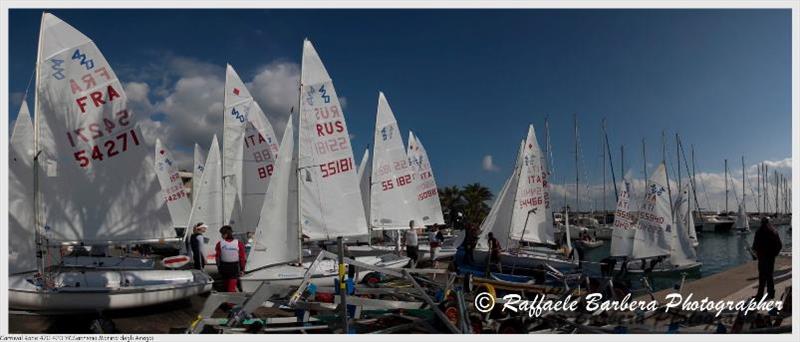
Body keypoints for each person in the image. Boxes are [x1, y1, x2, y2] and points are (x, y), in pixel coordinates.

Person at [752, 217, 782, 299]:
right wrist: (775, 254)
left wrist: (756, 254)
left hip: (762, 258)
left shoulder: (758, 232)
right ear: (769, 222)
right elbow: (779, 245)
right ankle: (771, 294)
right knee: (770, 276)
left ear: (761, 223)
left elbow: (754, 246)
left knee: (762, 277)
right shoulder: (774, 231)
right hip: (771, 258)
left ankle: (760, 295)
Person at [215, 225, 247, 292]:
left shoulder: (219, 244)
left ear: (226, 234)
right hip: (233, 268)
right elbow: (242, 257)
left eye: (222, 234)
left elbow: (217, 258)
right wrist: (242, 269)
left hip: (225, 268)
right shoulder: (239, 243)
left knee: (228, 288)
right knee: (230, 288)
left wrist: (218, 267)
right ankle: (231, 301)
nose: (221, 236)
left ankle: (230, 301)